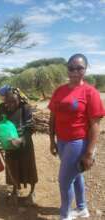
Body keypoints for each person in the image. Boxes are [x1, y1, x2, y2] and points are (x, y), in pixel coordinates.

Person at [48, 54, 105, 220]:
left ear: (85, 69)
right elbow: (53, 117)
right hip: (62, 142)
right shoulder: (59, 90)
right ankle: (82, 208)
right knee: (76, 174)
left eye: (79, 68)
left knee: (64, 181)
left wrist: (89, 153)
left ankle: (65, 215)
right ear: (67, 69)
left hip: (78, 142)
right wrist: (52, 140)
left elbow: (95, 125)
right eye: (71, 68)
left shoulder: (90, 93)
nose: (74, 71)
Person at [0, 87, 38, 204]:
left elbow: (30, 128)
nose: (10, 104)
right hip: (9, 144)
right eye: (7, 101)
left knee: (29, 168)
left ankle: (32, 192)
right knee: (12, 168)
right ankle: (15, 191)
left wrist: (21, 140)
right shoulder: (2, 108)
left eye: (13, 101)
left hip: (25, 143)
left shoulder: (25, 108)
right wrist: (0, 140)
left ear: (19, 100)